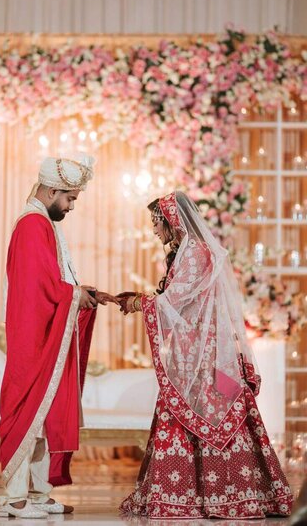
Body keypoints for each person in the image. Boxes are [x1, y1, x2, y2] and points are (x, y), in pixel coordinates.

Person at [118, 191, 293, 519]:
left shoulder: (196, 252)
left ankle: (233, 495)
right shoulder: (185, 252)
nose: (154, 230)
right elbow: (174, 300)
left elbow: (175, 300)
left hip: (207, 355)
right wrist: (140, 300)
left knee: (224, 405)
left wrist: (138, 303)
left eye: (155, 222)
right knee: (202, 406)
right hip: (192, 352)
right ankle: (192, 494)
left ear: (170, 219)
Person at [0, 153, 117, 520]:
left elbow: (54, 281)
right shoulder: (33, 225)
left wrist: (79, 291)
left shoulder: (43, 224)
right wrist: (74, 295)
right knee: (30, 411)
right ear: (51, 190)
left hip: (47, 333)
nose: (71, 207)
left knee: (45, 415)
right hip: (34, 338)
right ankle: (15, 500)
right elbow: (38, 288)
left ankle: (36, 492)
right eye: (69, 199)